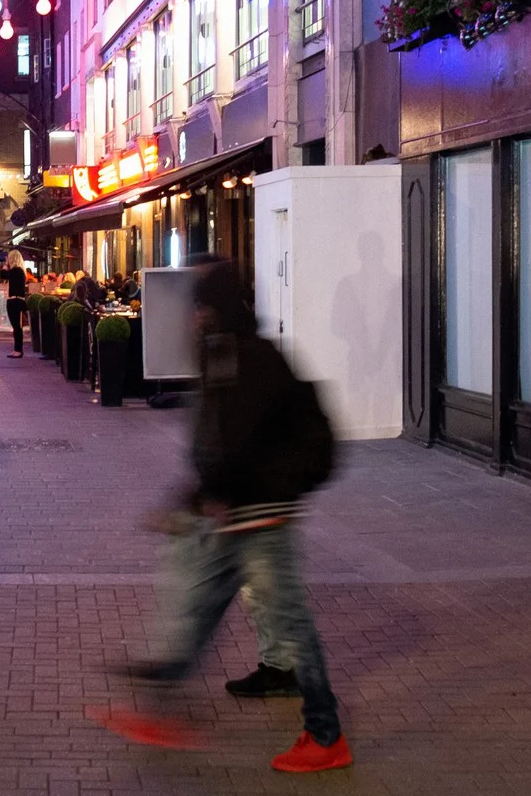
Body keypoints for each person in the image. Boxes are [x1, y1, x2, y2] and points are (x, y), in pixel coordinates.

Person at [124, 256, 351, 774]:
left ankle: (325, 734)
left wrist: (197, 498)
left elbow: (234, 441)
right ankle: (162, 701)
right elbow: (221, 442)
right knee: (202, 607)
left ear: (213, 308)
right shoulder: (229, 351)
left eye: (198, 307)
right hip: (240, 510)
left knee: (290, 623)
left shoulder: (242, 356)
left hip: (261, 513)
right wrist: (199, 497)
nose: (191, 318)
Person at [0, 254, 31, 358]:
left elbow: (2, 274)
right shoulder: (19, 271)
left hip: (14, 301)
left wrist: (5, 265)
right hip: (17, 300)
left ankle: (18, 350)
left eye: (8, 258)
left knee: (16, 327)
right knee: (16, 326)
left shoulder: (16, 270)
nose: (7, 260)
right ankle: (17, 349)